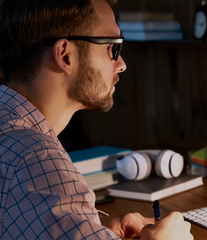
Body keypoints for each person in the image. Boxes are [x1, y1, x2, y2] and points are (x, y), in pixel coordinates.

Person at [0, 0, 193, 239]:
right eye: (112, 48)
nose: (121, 64)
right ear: (65, 55)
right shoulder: (37, 159)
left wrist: (90, 225)